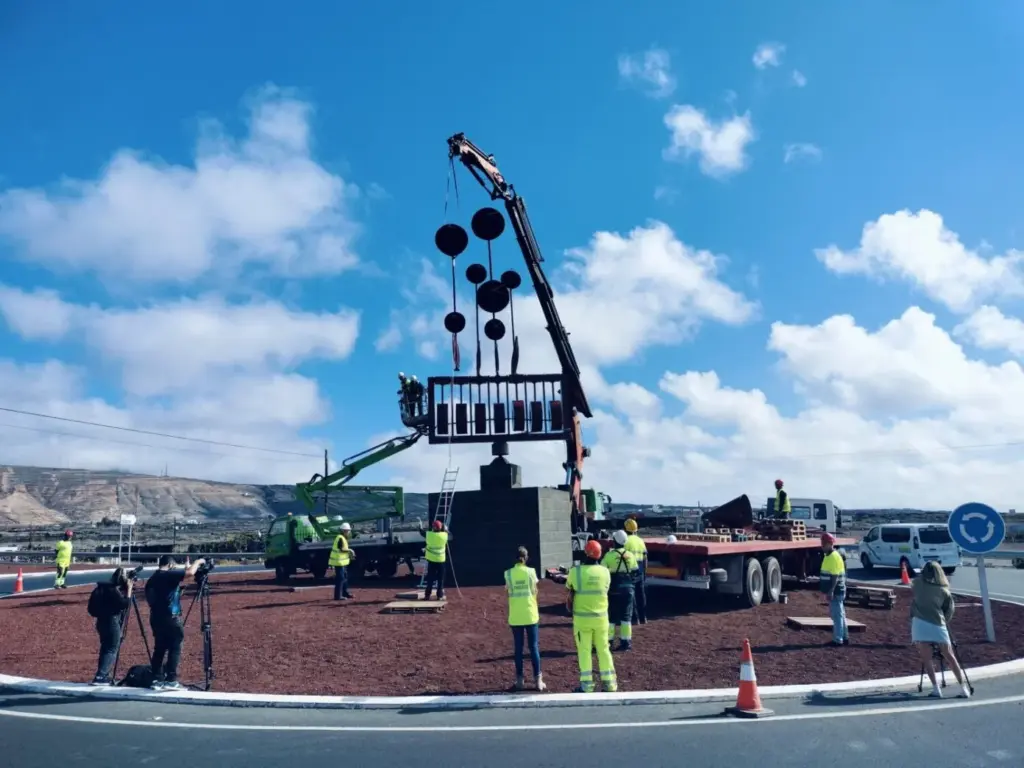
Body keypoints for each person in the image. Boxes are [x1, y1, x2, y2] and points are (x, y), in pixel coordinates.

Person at [144, 554, 205, 691]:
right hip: (171, 618)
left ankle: (156, 679)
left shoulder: (153, 579)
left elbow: (156, 597)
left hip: (156, 617)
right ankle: (171, 680)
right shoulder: (167, 575)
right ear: (170, 565)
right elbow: (190, 573)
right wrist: (198, 561)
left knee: (159, 648)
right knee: (175, 647)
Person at [912, 560, 970, 699]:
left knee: (927, 658)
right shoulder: (944, 590)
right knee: (950, 656)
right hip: (938, 623)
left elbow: (916, 585)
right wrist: (945, 619)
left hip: (920, 623)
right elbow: (949, 610)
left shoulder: (917, 584)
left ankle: (936, 688)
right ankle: (963, 688)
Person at [566, 539, 617, 693]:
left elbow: (569, 588)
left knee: (584, 651)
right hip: (601, 619)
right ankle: (610, 684)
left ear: (585, 553)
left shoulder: (576, 572)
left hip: (582, 620)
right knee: (603, 649)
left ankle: (587, 685)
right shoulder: (605, 572)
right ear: (599, 554)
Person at [504, 546, 546, 692]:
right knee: (533, 647)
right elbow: (535, 591)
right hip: (530, 614)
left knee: (518, 649)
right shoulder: (531, 572)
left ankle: (520, 680)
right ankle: (538, 680)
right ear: (526, 557)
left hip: (516, 616)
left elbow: (508, 593)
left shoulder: (508, 574)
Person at [88, 567, 133, 685]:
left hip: (101, 622)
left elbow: (90, 608)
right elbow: (125, 604)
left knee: (105, 648)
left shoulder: (101, 588)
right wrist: (129, 590)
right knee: (112, 648)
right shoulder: (112, 591)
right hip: (112, 621)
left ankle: (102, 674)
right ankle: (101, 676)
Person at [601, 530, 638, 651]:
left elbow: (602, 571)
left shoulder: (609, 556)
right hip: (628, 589)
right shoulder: (631, 555)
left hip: (614, 588)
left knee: (611, 616)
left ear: (614, 542)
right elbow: (636, 571)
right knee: (626, 617)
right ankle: (626, 643)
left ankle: (609, 641)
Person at [819, 533, 848, 647]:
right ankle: (844, 637)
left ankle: (838, 639)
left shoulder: (834, 557)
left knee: (837, 616)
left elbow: (835, 576)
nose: (822, 547)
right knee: (840, 615)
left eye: (823, 544)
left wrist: (831, 590)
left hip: (836, 591)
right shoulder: (829, 555)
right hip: (835, 591)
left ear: (830, 544)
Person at [623, 519, 648, 625]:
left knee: (631, 594)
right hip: (640, 569)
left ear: (625, 529)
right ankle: (643, 617)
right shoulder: (640, 540)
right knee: (640, 594)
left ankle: (634, 618)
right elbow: (645, 557)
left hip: (630, 570)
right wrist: (645, 572)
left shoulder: (625, 541)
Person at [422, 519, 448, 601]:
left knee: (430, 578)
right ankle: (439, 596)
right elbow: (448, 533)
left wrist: (421, 527)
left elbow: (421, 532)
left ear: (433, 528)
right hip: (441, 560)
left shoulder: (429, 535)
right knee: (440, 579)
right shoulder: (444, 535)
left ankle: (427, 595)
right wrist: (444, 528)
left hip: (432, 560)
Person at [330, 522, 355, 600]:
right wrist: (350, 550)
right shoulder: (340, 538)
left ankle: (345, 593)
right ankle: (338, 596)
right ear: (344, 531)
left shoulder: (342, 538)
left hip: (342, 562)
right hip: (338, 562)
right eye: (347, 531)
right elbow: (341, 549)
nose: (348, 532)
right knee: (340, 578)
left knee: (344, 577)